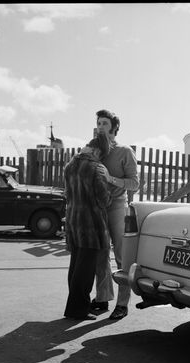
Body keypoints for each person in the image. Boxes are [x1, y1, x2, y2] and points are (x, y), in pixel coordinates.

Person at [91, 109, 139, 320]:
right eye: (98, 123)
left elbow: (135, 183)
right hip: (97, 206)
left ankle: (122, 303)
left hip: (118, 206)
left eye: (104, 123)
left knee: (121, 255)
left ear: (114, 127)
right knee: (100, 254)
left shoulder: (125, 151)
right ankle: (102, 298)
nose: (100, 126)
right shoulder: (95, 149)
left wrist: (111, 180)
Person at [63, 134, 112, 320]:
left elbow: (68, 193)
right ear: (98, 151)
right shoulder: (96, 168)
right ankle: (77, 311)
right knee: (85, 271)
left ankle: (75, 307)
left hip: (73, 221)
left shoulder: (70, 166)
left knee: (76, 266)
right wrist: (111, 197)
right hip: (91, 225)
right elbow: (103, 199)